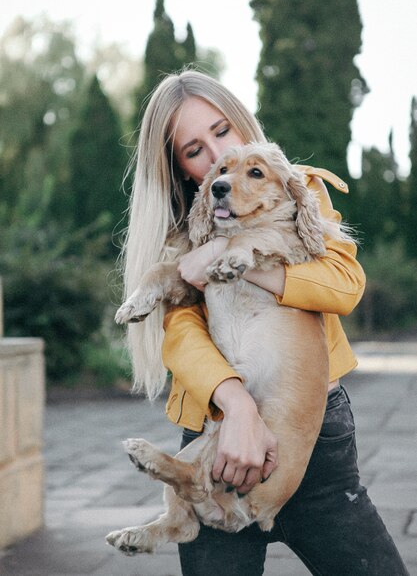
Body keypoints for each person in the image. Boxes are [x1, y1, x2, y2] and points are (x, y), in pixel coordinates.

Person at [121, 69, 409, 575]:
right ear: (182, 169)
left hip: (313, 435)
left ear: (242, 124)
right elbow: (182, 334)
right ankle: (178, 517)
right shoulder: (183, 233)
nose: (215, 159)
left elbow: (343, 284)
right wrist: (237, 408)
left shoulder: (295, 191)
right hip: (217, 430)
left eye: (221, 131)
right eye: (194, 151)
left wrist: (240, 260)